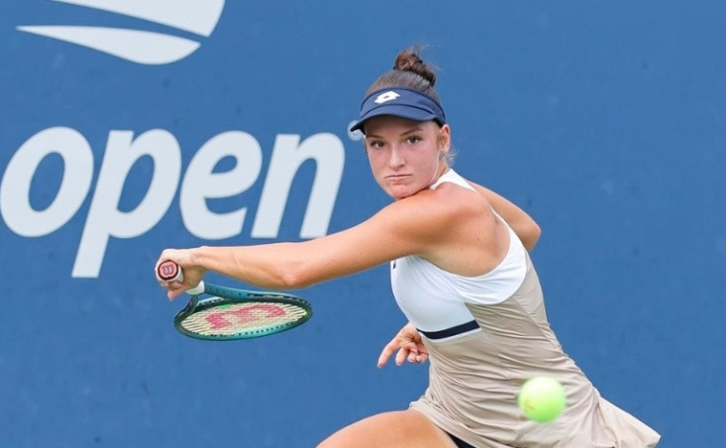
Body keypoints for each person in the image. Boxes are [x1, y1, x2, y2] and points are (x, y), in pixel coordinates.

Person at [155, 48, 661, 448]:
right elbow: (525, 231)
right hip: (456, 416)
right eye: (378, 144)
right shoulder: (453, 190)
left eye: (411, 140)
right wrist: (440, 319)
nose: (394, 160)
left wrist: (199, 258)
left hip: (555, 434)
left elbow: (297, 268)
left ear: (443, 138)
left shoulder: (442, 211)